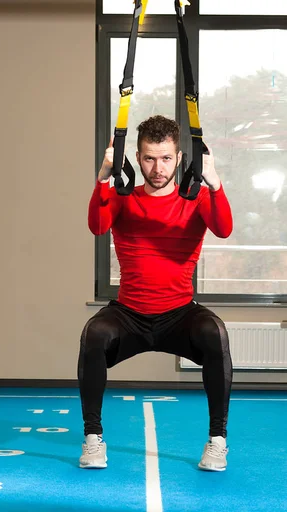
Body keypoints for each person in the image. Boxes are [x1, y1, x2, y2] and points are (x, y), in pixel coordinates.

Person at [78, 115, 233, 472]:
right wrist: (103, 176)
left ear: (179, 158)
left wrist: (215, 182)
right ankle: (92, 440)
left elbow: (224, 229)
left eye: (165, 158)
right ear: (136, 157)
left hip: (179, 313)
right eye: (149, 158)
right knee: (94, 334)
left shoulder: (195, 199)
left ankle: (217, 441)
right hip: (129, 313)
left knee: (215, 332)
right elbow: (97, 225)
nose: (157, 167)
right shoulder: (122, 198)